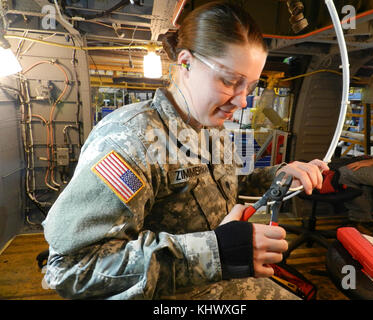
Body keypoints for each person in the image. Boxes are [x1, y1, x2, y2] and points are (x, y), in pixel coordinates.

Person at [42, 1, 328, 300]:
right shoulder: (130, 141)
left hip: (221, 278)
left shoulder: (211, 128)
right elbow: (72, 269)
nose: (243, 101)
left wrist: (277, 177)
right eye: (230, 81)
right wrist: (216, 252)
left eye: (251, 86)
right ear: (186, 62)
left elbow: (221, 188)